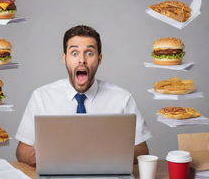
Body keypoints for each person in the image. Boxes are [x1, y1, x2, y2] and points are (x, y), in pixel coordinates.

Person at [15, 25, 152, 167]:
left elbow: (142, 150)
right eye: (74, 53)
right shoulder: (41, 96)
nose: (82, 60)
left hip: (106, 175)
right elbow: (22, 151)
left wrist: (103, 155)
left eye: (89, 53)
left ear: (99, 59)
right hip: (57, 174)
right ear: (64, 58)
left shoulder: (123, 98)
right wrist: (54, 156)